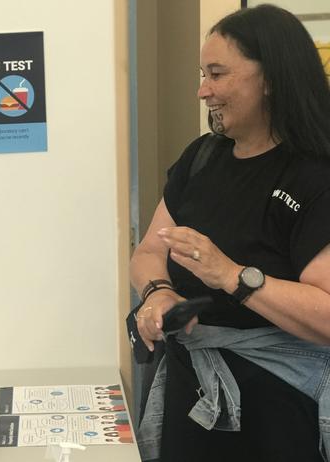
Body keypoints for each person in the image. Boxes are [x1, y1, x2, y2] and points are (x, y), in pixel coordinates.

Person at [130, 4, 330, 462]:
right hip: (192, 398)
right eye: (203, 74)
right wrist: (158, 293)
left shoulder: (315, 175)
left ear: (272, 77)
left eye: (217, 74)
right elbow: (148, 252)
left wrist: (233, 276)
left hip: (280, 414)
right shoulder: (203, 157)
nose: (203, 91)